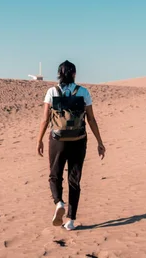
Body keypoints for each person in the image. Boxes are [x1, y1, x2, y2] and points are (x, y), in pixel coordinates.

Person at [36, 60, 106, 231]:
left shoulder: (52, 91)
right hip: (79, 140)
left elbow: (45, 119)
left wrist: (38, 140)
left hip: (57, 140)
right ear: (74, 74)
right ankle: (71, 220)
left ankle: (59, 202)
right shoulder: (83, 92)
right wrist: (99, 141)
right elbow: (91, 119)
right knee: (74, 179)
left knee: (55, 175)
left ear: (59, 73)